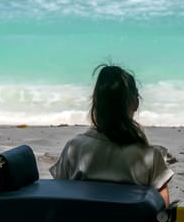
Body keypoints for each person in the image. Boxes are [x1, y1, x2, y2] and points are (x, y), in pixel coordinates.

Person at [50, 64, 173, 207]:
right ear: (136, 104)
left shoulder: (74, 148)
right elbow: (163, 211)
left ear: (95, 103)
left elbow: (58, 195)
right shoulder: (150, 157)